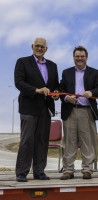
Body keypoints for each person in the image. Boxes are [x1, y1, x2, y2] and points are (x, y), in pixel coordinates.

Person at [14, 37, 59, 182]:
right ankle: (22, 172)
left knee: (42, 141)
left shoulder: (52, 65)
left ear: (46, 49)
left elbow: (55, 85)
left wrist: (56, 93)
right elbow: (19, 82)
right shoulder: (22, 62)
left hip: (45, 108)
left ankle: (39, 171)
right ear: (32, 46)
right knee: (27, 140)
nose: (39, 48)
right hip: (28, 107)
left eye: (42, 46)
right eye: (37, 46)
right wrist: (36, 90)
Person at [59, 46, 98, 180]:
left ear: (86, 57)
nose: (79, 59)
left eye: (82, 56)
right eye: (77, 56)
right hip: (70, 111)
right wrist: (66, 97)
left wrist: (92, 92)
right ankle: (68, 170)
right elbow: (61, 89)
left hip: (86, 111)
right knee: (69, 141)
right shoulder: (66, 73)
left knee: (87, 141)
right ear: (73, 58)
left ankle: (87, 169)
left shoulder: (95, 72)